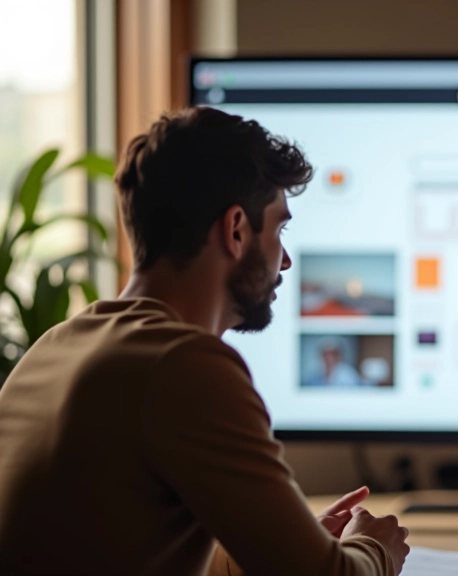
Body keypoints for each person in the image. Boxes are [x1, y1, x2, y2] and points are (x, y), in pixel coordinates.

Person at [0, 108, 409, 575]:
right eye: (279, 229)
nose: (287, 260)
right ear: (235, 230)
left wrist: (284, 539)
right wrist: (376, 549)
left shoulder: (57, 346)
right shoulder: (183, 363)